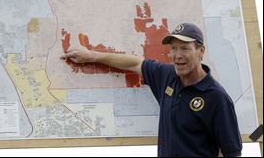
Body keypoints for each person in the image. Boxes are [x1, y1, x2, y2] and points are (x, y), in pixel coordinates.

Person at [61, 22, 242, 157]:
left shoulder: (217, 98)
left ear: (201, 51)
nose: (177, 55)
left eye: (185, 49)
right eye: (173, 48)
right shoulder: (167, 76)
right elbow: (134, 63)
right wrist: (91, 55)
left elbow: (232, 153)